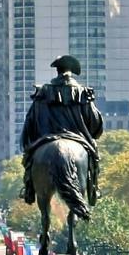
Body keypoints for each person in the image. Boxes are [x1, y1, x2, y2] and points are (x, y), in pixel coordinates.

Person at [21, 55, 104, 206]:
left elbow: (30, 121)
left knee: (30, 158)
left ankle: (29, 189)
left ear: (57, 71)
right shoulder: (83, 93)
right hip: (77, 138)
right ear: (72, 72)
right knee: (94, 156)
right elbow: (95, 122)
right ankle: (93, 188)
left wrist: (29, 143)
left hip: (46, 138)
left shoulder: (43, 92)